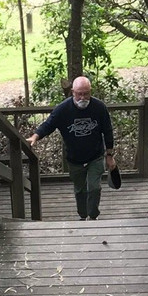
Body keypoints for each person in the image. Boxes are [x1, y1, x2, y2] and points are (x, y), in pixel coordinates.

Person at [27, 76, 116, 220]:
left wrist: (110, 155)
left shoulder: (99, 107)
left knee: (94, 188)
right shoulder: (63, 109)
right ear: (73, 92)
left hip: (96, 156)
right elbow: (49, 124)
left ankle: (93, 217)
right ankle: (82, 216)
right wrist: (35, 136)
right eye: (79, 93)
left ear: (90, 91)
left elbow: (108, 130)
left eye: (86, 93)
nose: (83, 97)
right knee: (80, 191)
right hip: (74, 159)